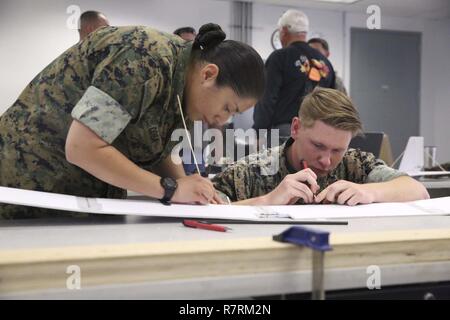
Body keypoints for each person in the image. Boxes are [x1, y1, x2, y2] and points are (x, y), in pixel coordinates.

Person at [0, 23, 265, 218]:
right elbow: (82, 147)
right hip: (29, 185)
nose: (223, 119)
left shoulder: (183, 88)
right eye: (228, 107)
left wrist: (191, 190)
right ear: (208, 74)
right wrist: (171, 189)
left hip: (83, 196)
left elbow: (153, 147)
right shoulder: (142, 60)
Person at [213, 88, 429, 205]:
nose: (326, 161)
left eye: (337, 150)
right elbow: (203, 214)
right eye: (318, 145)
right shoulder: (251, 171)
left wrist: (369, 192)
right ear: (296, 128)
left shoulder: (355, 164)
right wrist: (267, 201)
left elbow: (418, 191)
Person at [253, 9, 335, 143]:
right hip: (316, 135)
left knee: (278, 164)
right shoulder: (325, 63)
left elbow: (267, 98)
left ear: (284, 31)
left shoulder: (279, 58)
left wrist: (259, 132)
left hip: (284, 132)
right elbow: (332, 103)